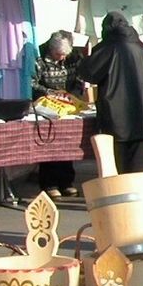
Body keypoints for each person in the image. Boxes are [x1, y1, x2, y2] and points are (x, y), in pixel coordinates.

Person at [79, 11, 143, 174]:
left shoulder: (107, 48)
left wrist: (83, 60)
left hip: (115, 118)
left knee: (116, 170)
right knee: (138, 171)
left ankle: (122, 199)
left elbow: (89, 73)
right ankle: (137, 199)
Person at [33, 32, 83, 197]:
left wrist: (73, 94)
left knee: (67, 142)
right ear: (50, 49)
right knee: (49, 143)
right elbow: (32, 82)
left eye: (64, 55)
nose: (62, 59)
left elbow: (80, 79)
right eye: (58, 55)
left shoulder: (74, 57)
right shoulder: (38, 57)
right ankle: (49, 183)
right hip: (47, 104)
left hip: (67, 104)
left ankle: (66, 181)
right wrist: (50, 92)